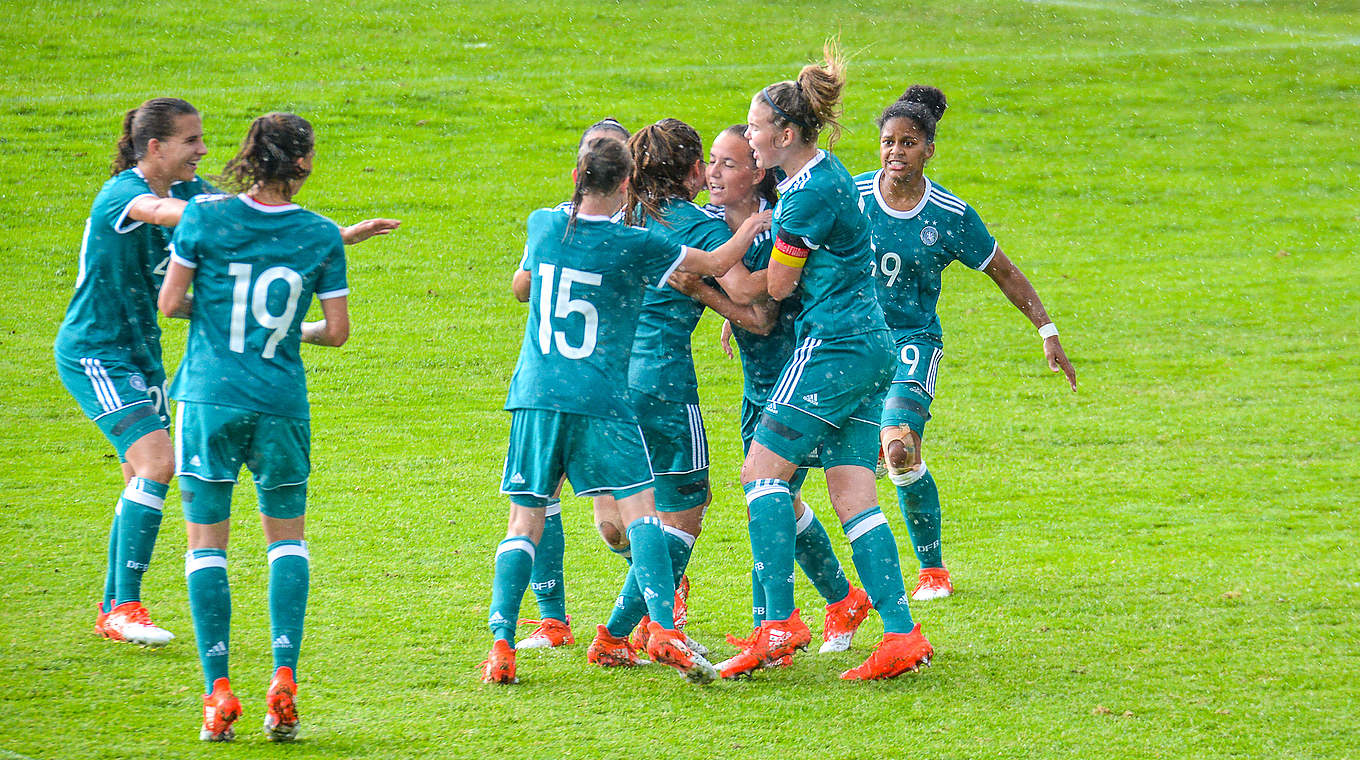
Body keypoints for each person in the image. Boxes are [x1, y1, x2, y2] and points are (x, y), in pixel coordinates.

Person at [484, 135, 768, 685]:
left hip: (535, 396)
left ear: (575, 177)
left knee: (525, 522)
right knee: (643, 516)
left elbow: (522, 286)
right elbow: (711, 263)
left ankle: (501, 644)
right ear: (623, 186)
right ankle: (661, 628)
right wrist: (751, 231)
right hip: (600, 399)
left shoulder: (542, 223)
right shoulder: (631, 245)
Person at [158, 112, 397, 741]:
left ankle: (218, 694)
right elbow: (338, 332)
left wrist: (216, 312)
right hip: (282, 405)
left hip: (208, 399)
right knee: (285, 542)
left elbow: (169, 302)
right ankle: (284, 681)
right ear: (304, 164)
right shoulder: (320, 235)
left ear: (249, 155)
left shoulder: (205, 217)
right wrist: (291, 331)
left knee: (206, 545)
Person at [722, 42, 933, 680]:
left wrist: (714, 277)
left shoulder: (807, 193)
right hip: (872, 350)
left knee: (762, 475)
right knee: (853, 496)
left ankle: (777, 626)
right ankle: (900, 634)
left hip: (834, 346)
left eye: (756, 127)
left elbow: (779, 288)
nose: (750, 137)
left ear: (786, 133)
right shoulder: (822, 177)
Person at [859, 85, 1077, 600]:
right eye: (888, 142)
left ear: (929, 149)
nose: (895, 152)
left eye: (908, 143)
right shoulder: (853, 194)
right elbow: (801, 246)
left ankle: (933, 571)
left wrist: (1047, 332)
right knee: (843, 465)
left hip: (912, 343)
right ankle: (850, 594)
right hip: (853, 342)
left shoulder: (950, 215)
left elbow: (1005, 273)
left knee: (899, 451)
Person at [586, 119, 775, 662]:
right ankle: (618, 633)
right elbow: (747, 298)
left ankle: (634, 627)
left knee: (639, 512)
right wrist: (787, 260)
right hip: (664, 382)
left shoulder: (620, 218)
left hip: (607, 383)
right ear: (693, 170)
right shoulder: (699, 227)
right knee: (686, 510)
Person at [690, 125, 873, 656]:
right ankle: (839, 600)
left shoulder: (775, 221)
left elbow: (763, 309)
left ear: (757, 171)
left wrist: (711, 296)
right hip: (759, 381)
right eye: (711, 163)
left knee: (767, 495)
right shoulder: (716, 223)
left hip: (796, 373)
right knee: (777, 501)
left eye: (728, 163)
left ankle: (773, 623)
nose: (713, 173)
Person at [54, 97, 213, 647]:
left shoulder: (193, 192)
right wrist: (225, 216)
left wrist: (329, 235)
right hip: (96, 352)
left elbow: (255, 216)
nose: (202, 150)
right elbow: (162, 214)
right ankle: (124, 606)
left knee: (139, 479)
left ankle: (111, 610)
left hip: (141, 352)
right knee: (158, 462)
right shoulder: (123, 194)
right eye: (191, 141)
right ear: (155, 147)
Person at [513, 118, 635, 652]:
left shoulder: (635, 230)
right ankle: (552, 617)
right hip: (554, 382)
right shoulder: (554, 222)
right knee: (540, 495)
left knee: (615, 526)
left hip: (609, 386)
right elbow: (520, 287)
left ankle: (659, 589)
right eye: (591, 148)